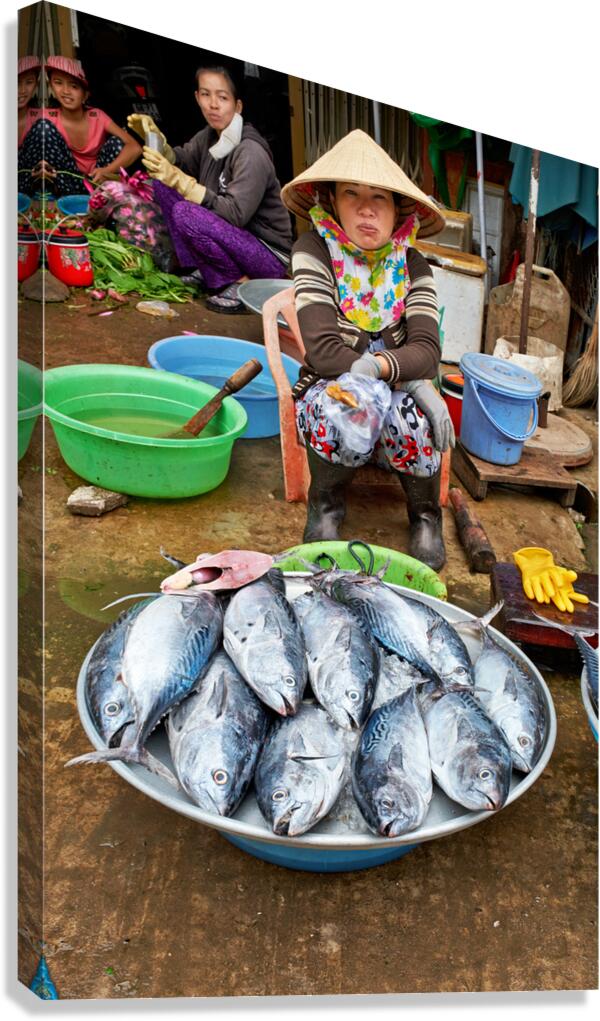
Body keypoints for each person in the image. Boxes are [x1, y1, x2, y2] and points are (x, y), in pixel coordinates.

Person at [280, 129, 455, 572]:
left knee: (415, 419)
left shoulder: (413, 266)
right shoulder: (313, 251)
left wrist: (386, 370)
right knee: (336, 408)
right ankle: (325, 506)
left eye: (380, 197)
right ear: (332, 202)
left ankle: (426, 516)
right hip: (332, 383)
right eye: (351, 194)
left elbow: (427, 350)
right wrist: (404, 376)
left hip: (395, 387)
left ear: (398, 211)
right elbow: (322, 350)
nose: (365, 208)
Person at [129, 65, 292, 314]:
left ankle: (238, 282)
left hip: (266, 256)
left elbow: (236, 214)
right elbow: (182, 160)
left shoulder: (250, 151)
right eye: (206, 94)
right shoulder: (210, 136)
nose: (213, 104)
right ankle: (203, 269)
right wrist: (158, 143)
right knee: (162, 182)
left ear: (238, 106)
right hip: (233, 239)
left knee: (186, 212)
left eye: (222, 97)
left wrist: (182, 182)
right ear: (197, 97)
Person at [21, 56, 141, 197]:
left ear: (85, 95)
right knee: (43, 129)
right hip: (66, 183)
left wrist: (107, 170)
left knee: (117, 143)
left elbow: (135, 147)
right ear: (51, 88)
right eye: (58, 83)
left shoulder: (97, 116)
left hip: (97, 181)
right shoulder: (47, 117)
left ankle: (101, 197)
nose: (66, 91)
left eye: (74, 86)